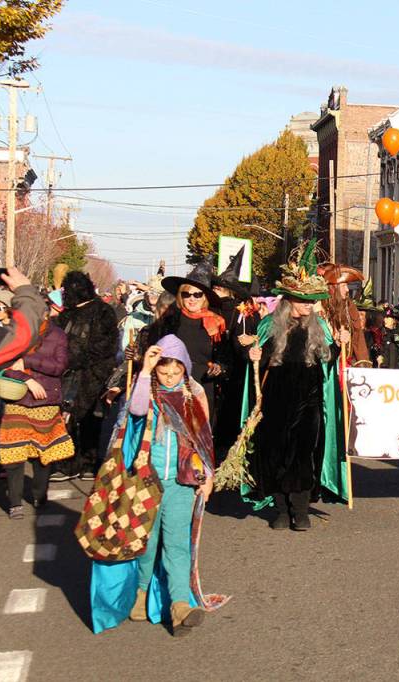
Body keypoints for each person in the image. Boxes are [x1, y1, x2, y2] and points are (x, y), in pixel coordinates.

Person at [89, 336, 221, 636]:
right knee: (145, 544)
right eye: (165, 372)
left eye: (175, 372)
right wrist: (146, 370)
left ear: (185, 369)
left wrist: (208, 477)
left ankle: (179, 607)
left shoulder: (194, 393)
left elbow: (204, 439)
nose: (170, 377)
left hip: (181, 484)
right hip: (145, 481)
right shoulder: (146, 388)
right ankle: (140, 595)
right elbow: (135, 412)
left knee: (176, 544)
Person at [246, 241, 344, 530]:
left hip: (309, 399)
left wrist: (340, 346)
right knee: (275, 452)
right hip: (275, 399)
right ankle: (279, 509)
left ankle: (300, 509)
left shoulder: (320, 327)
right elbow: (255, 359)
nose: (308, 305)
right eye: (303, 300)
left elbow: (329, 358)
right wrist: (250, 354)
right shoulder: (269, 326)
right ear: (289, 300)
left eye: (311, 301)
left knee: (302, 454)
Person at [0, 309, 73, 518]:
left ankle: (39, 495)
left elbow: (60, 366)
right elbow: (3, 364)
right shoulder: (13, 333)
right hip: (16, 399)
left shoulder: (57, 334)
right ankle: (15, 503)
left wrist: (28, 362)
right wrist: (26, 379)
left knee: (43, 453)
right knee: (13, 452)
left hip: (46, 401)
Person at [51, 271, 119, 482]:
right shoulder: (66, 314)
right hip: (68, 374)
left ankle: (89, 463)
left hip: (95, 374)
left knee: (91, 418)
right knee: (66, 418)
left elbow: (105, 345)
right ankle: (67, 463)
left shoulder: (103, 312)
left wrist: (77, 360)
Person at [156, 262, 227, 423]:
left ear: (205, 297)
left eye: (197, 294)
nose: (192, 299)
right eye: (187, 294)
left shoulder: (216, 322)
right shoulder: (170, 319)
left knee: (199, 437)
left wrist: (220, 367)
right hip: (173, 383)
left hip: (203, 385)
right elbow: (155, 348)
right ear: (181, 296)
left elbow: (225, 358)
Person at [211, 247, 261, 455]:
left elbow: (245, 341)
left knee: (227, 413)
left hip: (234, 372)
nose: (215, 292)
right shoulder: (214, 310)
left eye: (220, 289)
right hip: (220, 369)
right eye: (214, 288)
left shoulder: (242, 314)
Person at [318, 261, 368, 364]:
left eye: (347, 285)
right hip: (323, 365)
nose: (347, 289)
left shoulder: (349, 306)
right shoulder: (318, 309)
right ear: (333, 289)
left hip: (345, 365)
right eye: (343, 285)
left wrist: (363, 365)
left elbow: (358, 339)